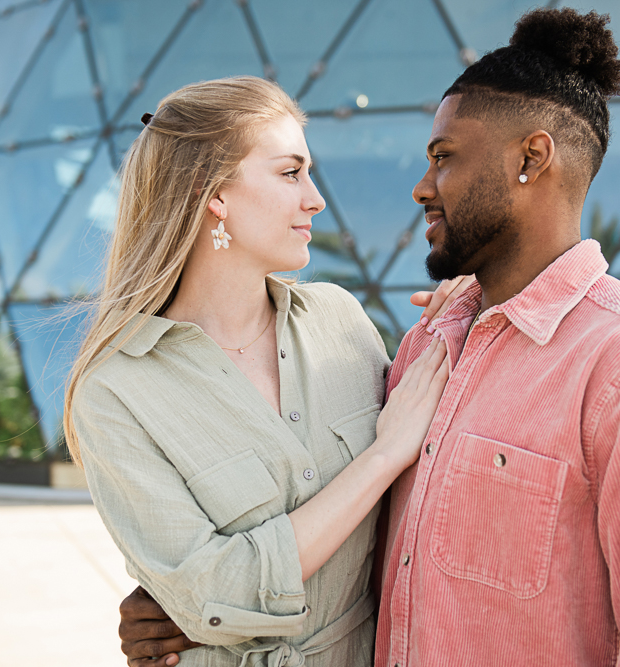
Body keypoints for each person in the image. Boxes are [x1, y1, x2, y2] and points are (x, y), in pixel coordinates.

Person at [119, 8, 620, 667]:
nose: (421, 187)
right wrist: (196, 613)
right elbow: (352, 559)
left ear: (532, 158)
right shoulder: (424, 350)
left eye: (444, 158)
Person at [65, 76, 456, 667]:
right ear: (212, 193)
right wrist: (381, 457)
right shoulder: (115, 393)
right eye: (289, 172)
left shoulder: (342, 322)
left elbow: (429, 498)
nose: (316, 199)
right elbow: (214, 594)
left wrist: (469, 313)